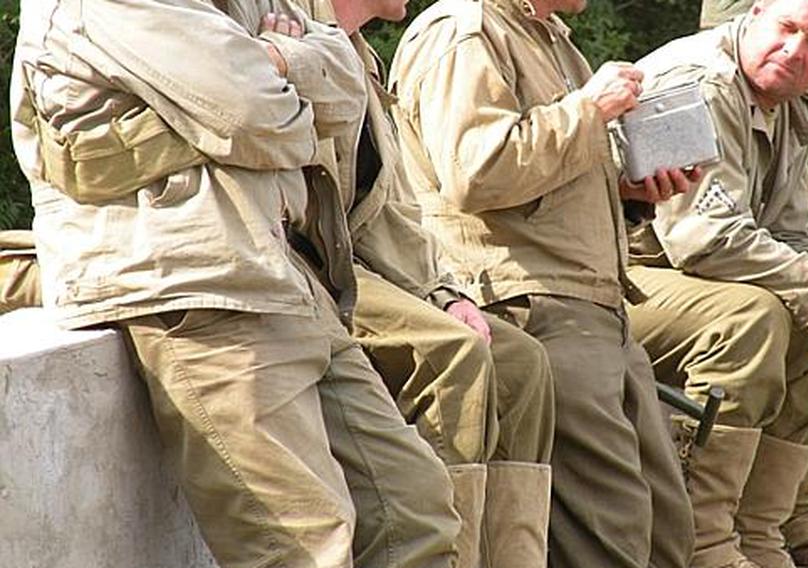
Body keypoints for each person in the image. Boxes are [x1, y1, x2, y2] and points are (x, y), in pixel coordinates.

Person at [11, 2, 460, 567]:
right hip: (193, 284)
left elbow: (343, 94)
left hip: (285, 274)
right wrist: (283, 76)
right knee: (301, 546)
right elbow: (252, 114)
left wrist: (270, 68)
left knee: (413, 506)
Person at [388, 1, 700, 567]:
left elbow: (545, 181)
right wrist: (589, 109)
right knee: (610, 533)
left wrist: (630, 196)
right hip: (527, 304)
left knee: (664, 529)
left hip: (596, 306)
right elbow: (475, 170)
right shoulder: (465, 32)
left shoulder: (549, 37)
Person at [625, 1, 808, 567]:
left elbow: (803, 233)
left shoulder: (783, 106)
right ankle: (701, 541)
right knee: (761, 315)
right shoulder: (696, 83)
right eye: (786, 28)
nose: (793, 51)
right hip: (622, 281)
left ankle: (777, 530)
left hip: (690, 285)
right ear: (754, 15)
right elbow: (704, 239)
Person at [296, 1, 556, 567]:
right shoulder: (301, 34)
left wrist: (445, 292)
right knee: (451, 353)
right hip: (305, 269)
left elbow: (393, 210)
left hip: (362, 267)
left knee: (522, 364)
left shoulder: (360, 53)